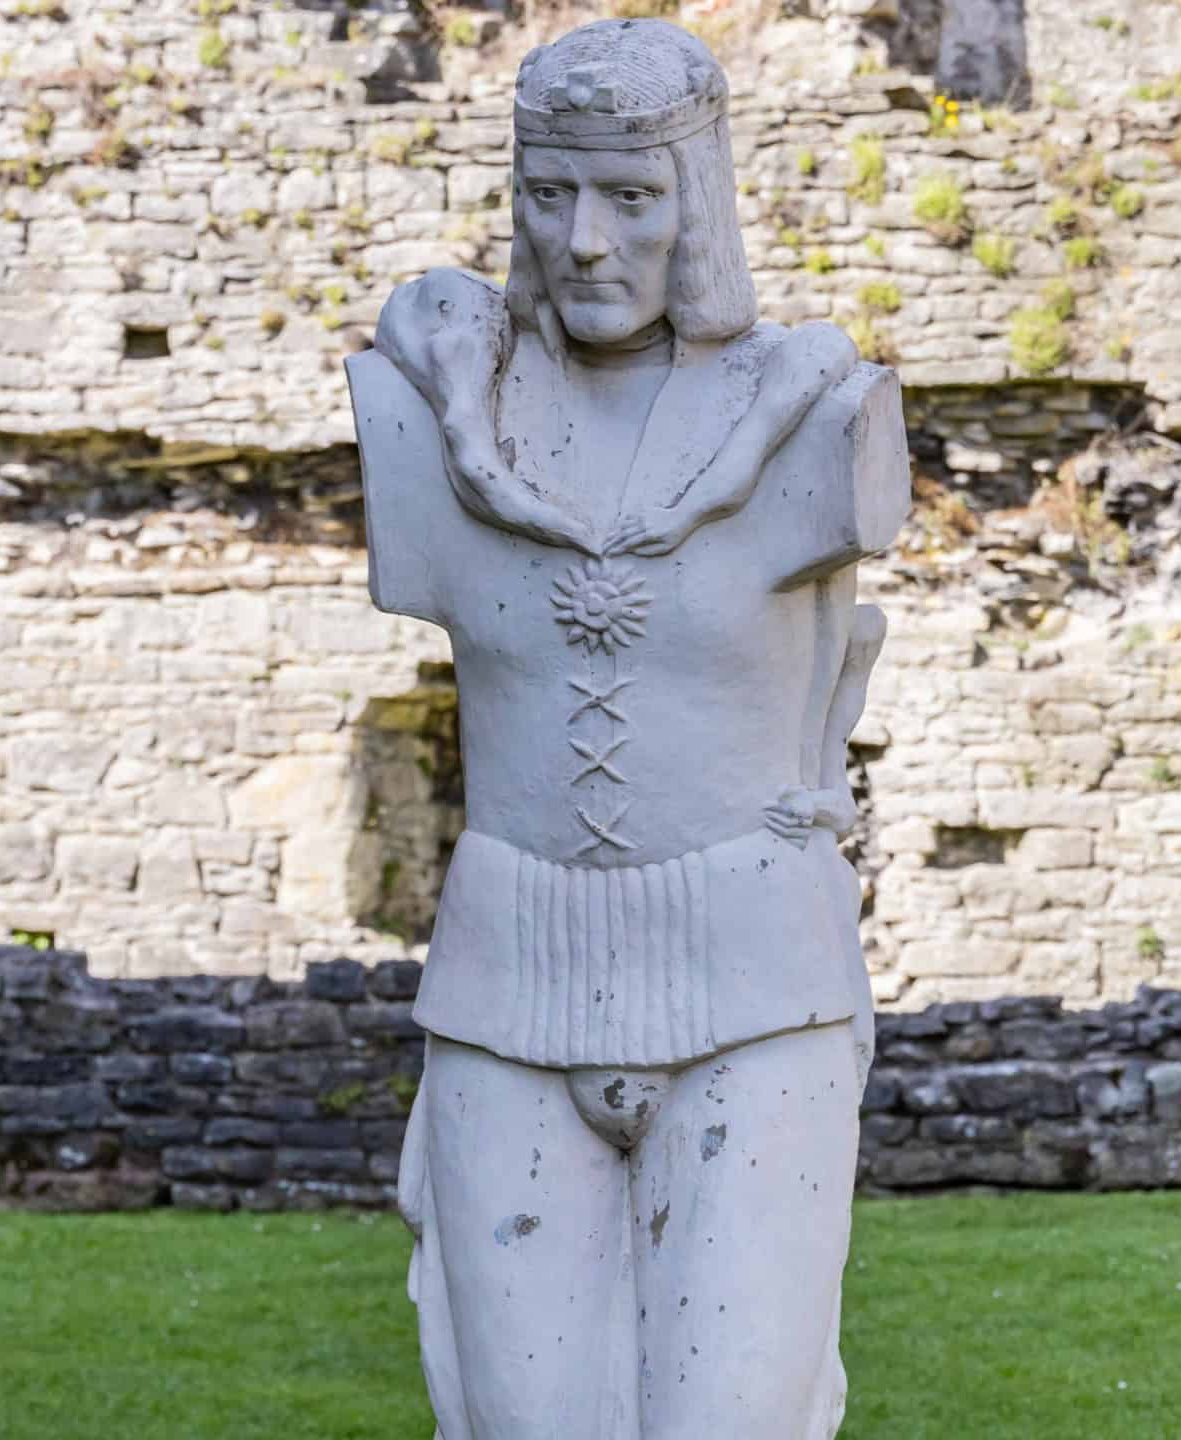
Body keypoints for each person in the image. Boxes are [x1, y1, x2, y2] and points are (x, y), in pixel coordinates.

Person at [344, 20, 908, 1437]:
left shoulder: (815, 420)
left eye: (632, 197)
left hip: (756, 978)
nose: (586, 240)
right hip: (505, 982)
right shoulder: (429, 409)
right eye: (551, 193)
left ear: (696, 205)